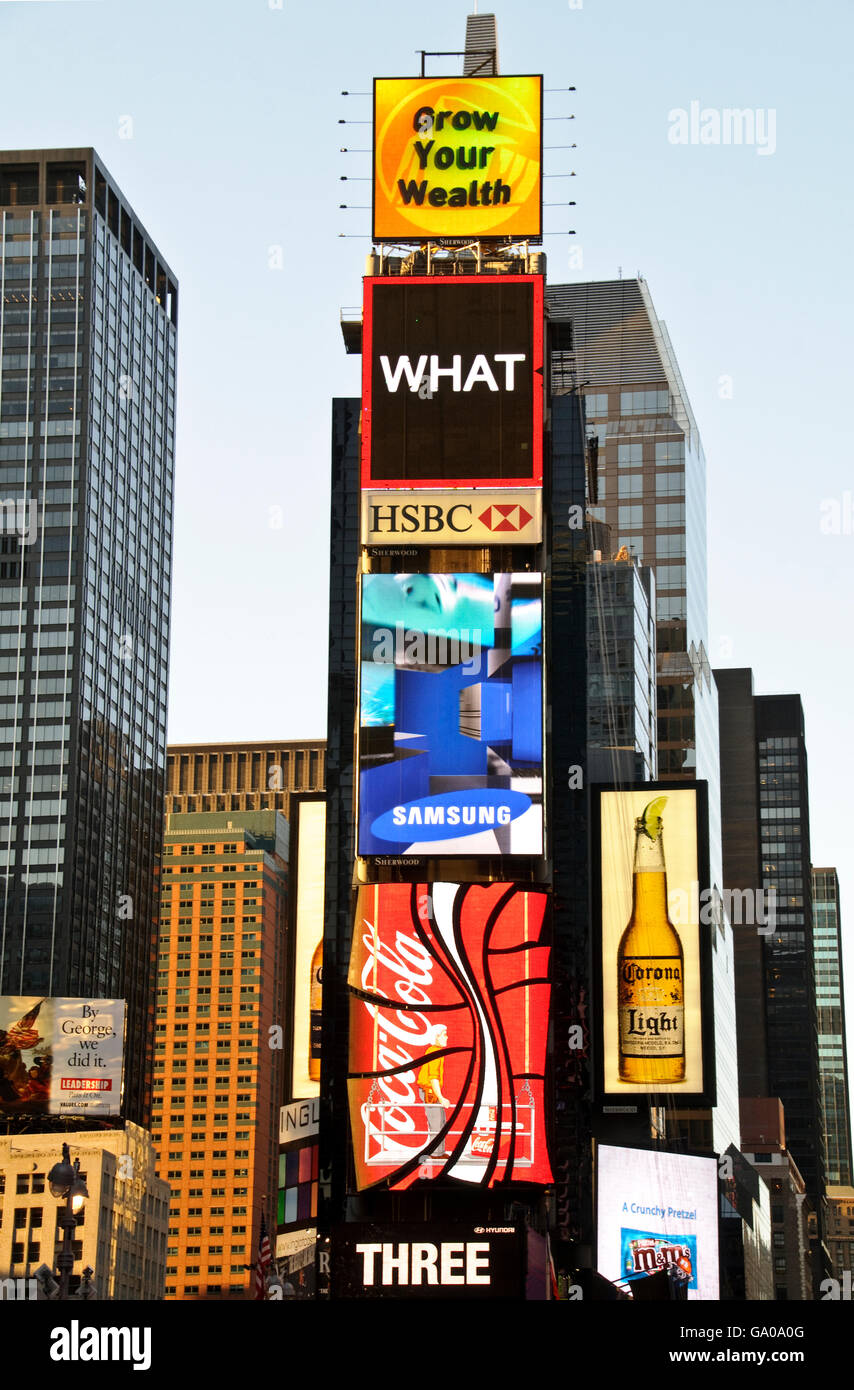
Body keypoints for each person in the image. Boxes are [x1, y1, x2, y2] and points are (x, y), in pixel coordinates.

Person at [417, 1024, 451, 1159]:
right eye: (444, 1034)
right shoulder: (434, 1052)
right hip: (429, 1091)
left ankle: (439, 1152)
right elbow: (433, 1078)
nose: (447, 1037)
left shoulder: (436, 1051)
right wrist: (441, 1098)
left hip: (430, 1091)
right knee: (436, 1122)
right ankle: (435, 1154)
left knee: (441, 1121)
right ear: (437, 1037)